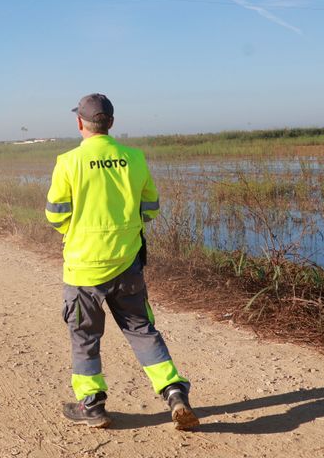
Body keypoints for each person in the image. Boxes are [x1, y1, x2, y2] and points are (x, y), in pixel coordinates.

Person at [45, 93, 198, 431]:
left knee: (84, 336)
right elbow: (151, 208)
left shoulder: (68, 161)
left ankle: (93, 405)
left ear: (79, 123)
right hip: (127, 264)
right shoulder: (134, 158)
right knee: (142, 330)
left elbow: (55, 214)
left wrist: (76, 230)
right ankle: (174, 391)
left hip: (83, 268)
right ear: (111, 123)